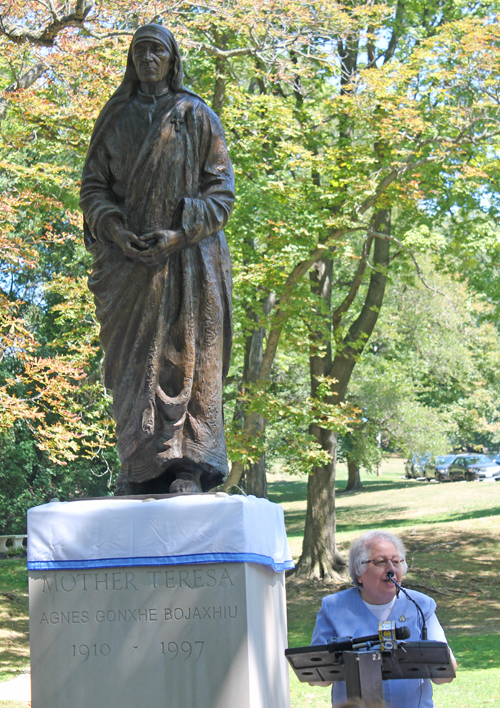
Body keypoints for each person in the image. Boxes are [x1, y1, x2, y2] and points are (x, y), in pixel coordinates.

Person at [80, 24, 235, 495]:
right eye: (141, 50)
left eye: (158, 51)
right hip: (129, 268)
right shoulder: (116, 118)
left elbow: (222, 194)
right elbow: (94, 188)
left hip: (188, 266)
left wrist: (180, 232)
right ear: (132, 59)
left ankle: (187, 465)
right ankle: (140, 465)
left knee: (187, 360)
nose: (149, 58)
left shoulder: (196, 115)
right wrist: (113, 229)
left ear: (172, 60)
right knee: (132, 369)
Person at [311, 530, 457, 707]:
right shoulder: (333, 608)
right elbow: (317, 678)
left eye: (396, 562)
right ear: (359, 571)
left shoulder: (421, 605)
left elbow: (445, 675)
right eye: (381, 562)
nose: (391, 569)